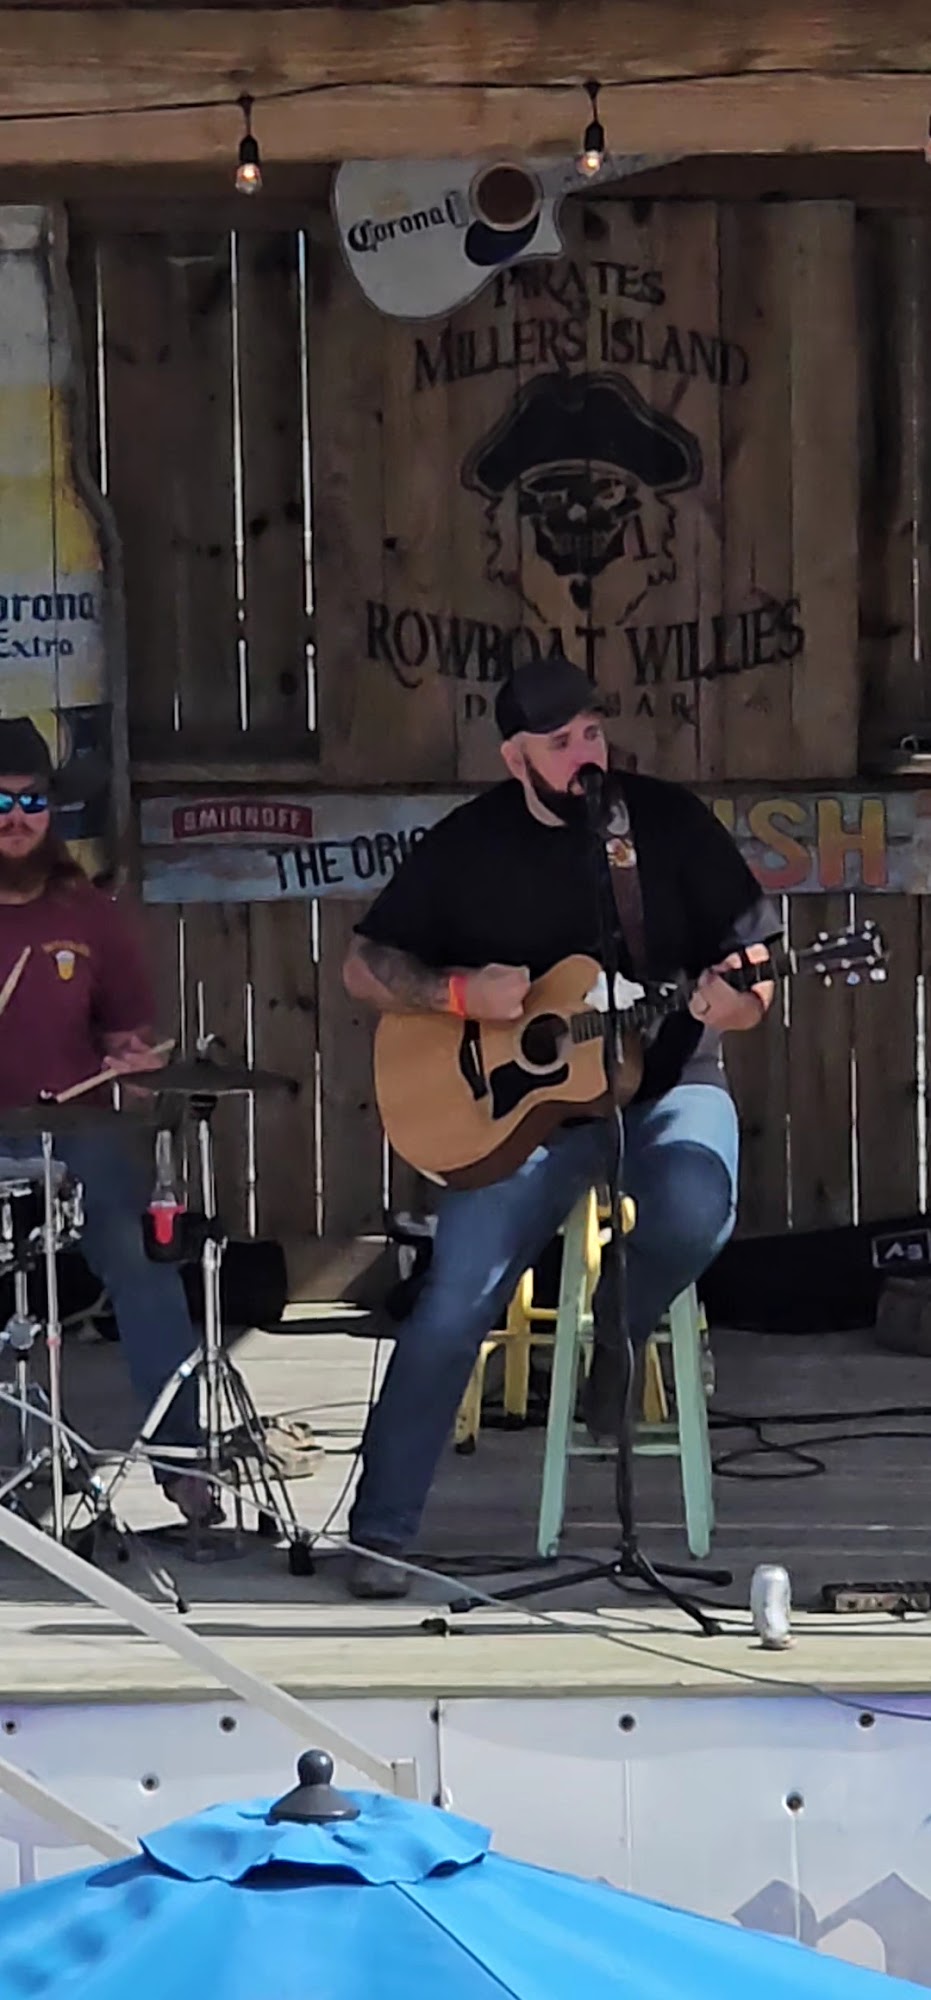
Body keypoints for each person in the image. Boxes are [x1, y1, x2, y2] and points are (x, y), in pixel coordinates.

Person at [342, 656, 780, 1598]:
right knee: (456, 1296)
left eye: (591, 731)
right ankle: (378, 1534)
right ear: (515, 758)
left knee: (699, 1203)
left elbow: (754, 966)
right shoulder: (470, 845)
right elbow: (365, 965)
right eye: (559, 742)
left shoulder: (661, 824)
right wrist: (457, 991)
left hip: (664, 1083)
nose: (584, 753)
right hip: (520, 1119)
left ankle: (615, 1337)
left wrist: (732, 1002)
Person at [0, 716, 211, 1524]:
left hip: (79, 1135)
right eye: (1, 801)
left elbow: (126, 1032)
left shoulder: (87, 911)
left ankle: (183, 1458)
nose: (16, 817)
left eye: (31, 801)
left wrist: (136, 1059)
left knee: (144, 1268)